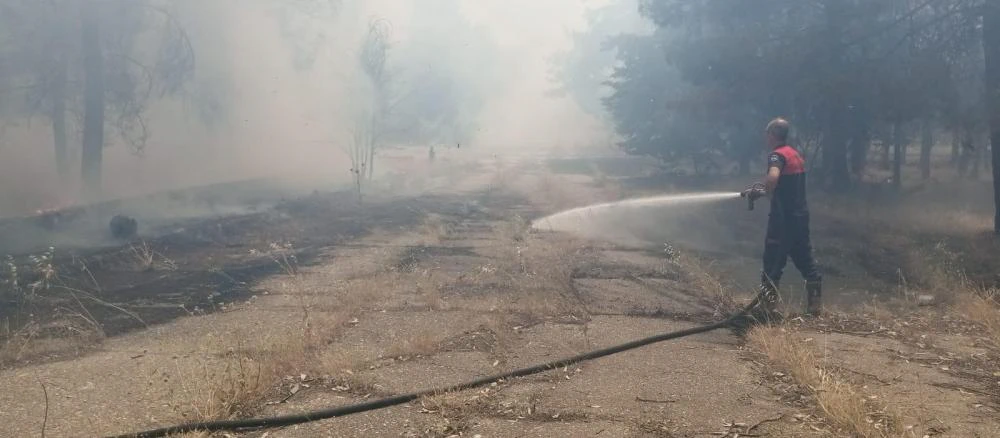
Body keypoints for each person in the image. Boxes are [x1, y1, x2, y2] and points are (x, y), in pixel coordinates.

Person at [741, 118, 822, 317]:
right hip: (800, 217)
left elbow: (774, 177)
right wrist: (763, 190)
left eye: (766, 133)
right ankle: (815, 307)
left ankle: (768, 308)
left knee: (772, 261)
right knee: (805, 260)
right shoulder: (795, 154)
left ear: (772, 135)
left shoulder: (776, 156)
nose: (765, 137)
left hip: (782, 220)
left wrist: (765, 191)